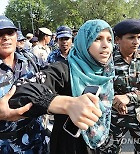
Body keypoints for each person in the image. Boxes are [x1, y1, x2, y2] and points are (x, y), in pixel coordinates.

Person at [9, 19, 115, 154]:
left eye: (109, 40)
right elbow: (20, 90)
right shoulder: (64, 69)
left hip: (102, 142)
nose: (106, 45)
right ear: (84, 42)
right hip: (70, 146)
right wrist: (66, 104)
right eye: (97, 39)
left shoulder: (107, 73)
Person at [99, 19, 140, 154]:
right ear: (118, 40)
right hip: (112, 118)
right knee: (108, 150)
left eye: (138, 37)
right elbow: (97, 87)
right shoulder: (106, 60)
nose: (136, 42)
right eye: (131, 38)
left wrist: (129, 97)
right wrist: (114, 100)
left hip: (138, 116)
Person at [0, 15, 49, 153]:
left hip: (36, 139)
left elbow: (46, 81)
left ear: (16, 36)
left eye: (10, 33)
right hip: (6, 145)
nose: (5, 37)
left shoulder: (30, 59)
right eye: (0, 34)